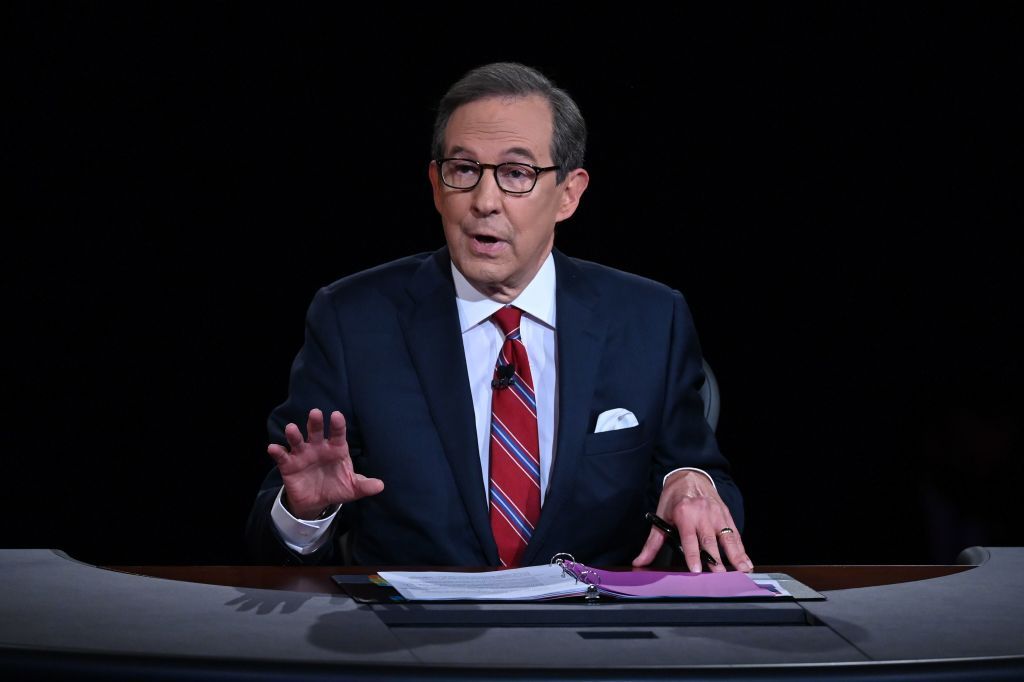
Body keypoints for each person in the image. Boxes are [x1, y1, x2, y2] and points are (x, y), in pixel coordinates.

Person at [246, 62, 753, 573]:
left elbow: (703, 475)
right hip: (411, 639)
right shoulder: (353, 320)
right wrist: (306, 512)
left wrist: (690, 481)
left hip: (591, 636)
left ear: (569, 194)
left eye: (517, 174)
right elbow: (267, 539)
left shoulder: (649, 320)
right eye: (464, 171)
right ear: (436, 185)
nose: (484, 202)